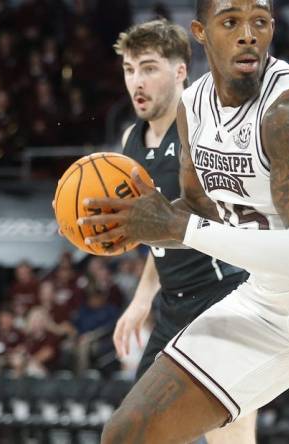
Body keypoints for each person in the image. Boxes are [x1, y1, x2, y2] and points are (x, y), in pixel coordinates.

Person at [78, 1, 289, 443]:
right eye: (231, 22)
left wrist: (176, 227)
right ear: (201, 32)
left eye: (259, 22)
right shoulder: (193, 107)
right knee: (126, 434)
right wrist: (134, 220)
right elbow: (200, 213)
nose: (248, 34)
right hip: (267, 301)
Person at [111, 19, 256, 443]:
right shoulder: (130, 141)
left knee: (230, 435)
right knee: (133, 431)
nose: (137, 81)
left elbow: (228, 220)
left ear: (179, 72)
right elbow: (157, 234)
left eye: (149, 67)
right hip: (174, 306)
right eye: (129, 69)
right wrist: (141, 300)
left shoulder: (208, 128)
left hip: (224, 299)